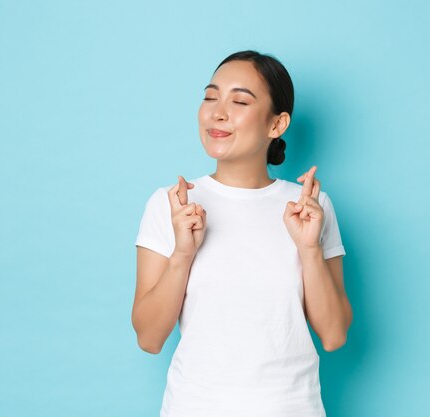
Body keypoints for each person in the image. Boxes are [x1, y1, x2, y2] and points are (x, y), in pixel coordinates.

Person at [132, 50, 353, 417]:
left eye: (239, 101)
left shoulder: (309, 206)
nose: (217, 112)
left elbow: (333, 335)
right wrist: (183, 255)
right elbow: (149, 338)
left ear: (277, 125)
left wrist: (309, 249)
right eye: (210, 96)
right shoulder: (172, 205)